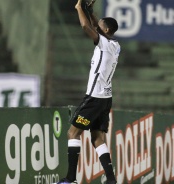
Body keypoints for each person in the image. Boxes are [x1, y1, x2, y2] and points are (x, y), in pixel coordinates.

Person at [57, 0, 120, 184]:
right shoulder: (115, 45)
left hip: (94, 99)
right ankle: (110, 179)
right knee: (97, 138)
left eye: (100, 25)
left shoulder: (103, 44)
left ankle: (70, 179)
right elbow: (95, 24)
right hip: (105, 100)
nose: (97, 25)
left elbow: (86, 25)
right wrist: (90, 11)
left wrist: (79, 8)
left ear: (105, 31)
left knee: (73, 133)